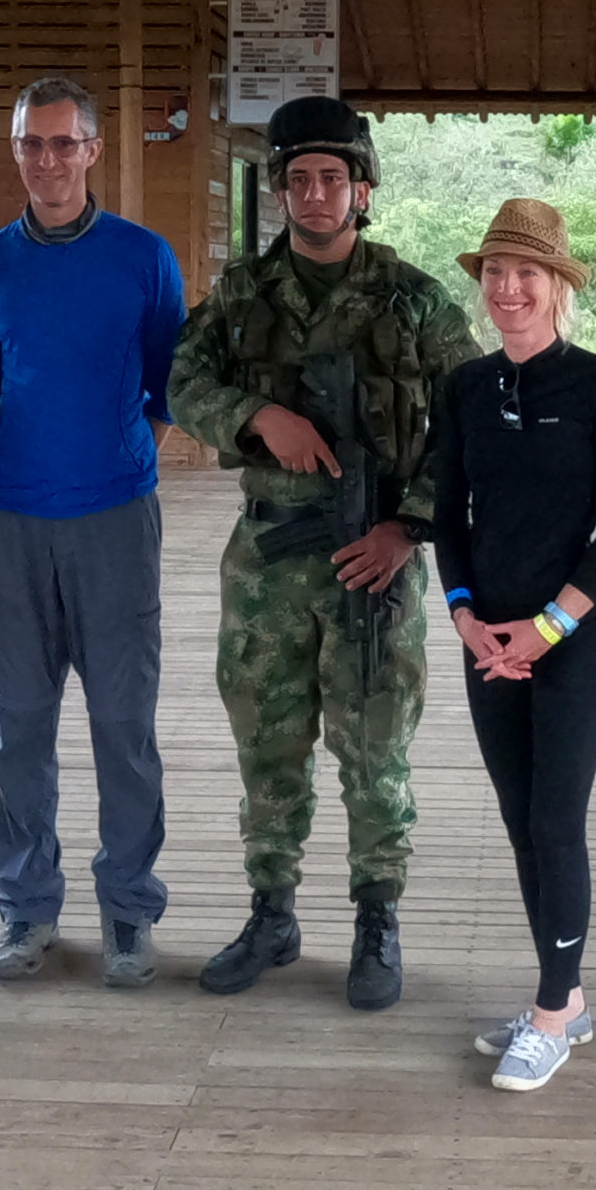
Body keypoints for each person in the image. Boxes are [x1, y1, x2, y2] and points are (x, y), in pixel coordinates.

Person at [169, 95, 480, 1011]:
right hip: (270, 552)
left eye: (331, 179)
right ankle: (272, 912)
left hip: (375, 552)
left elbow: (468, 429)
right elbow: (184, 383)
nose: (314, 194)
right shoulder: (239, 295)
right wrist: (257, 415)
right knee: (267, 744)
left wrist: (407, 526)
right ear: (279, 193)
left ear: (363, 190)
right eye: (298, 180)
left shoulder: (414, 298)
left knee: (373, 748)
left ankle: (377, 919)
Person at [0, 75, 187, 989]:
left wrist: (117, 459)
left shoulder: (143, 256)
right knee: (21, 727)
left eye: (64, 143)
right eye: (31, 144)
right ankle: (26, 909)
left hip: (115, 519)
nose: (47, 160)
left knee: (122, 724)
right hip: (13, 519)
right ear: (14, 151)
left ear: (94, 149)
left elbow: (167, 387)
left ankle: (129, 912)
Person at [433, 199, 596, 1093]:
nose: (509, 289)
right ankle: (568, 997)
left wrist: (549, 624)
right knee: (523, 828)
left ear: (558, 286)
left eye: (528, 273)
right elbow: (448, 515)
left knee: (557, 824)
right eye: (495, 273)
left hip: (573, 637)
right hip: (488, 641)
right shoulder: (466, 388)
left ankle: (553, 1015)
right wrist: (467, 618)